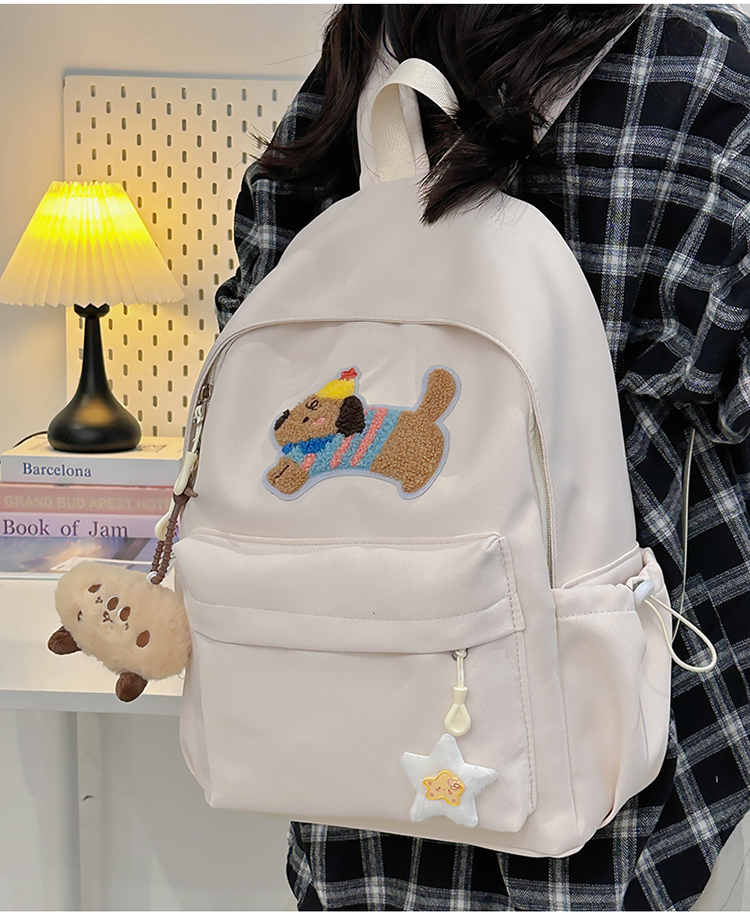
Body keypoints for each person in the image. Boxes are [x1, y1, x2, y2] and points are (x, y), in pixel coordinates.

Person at [215, 4, 750, 911]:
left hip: (345, 733)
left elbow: (256, 351)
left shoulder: (364, 50)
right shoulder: (694, 69)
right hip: (612, 769)